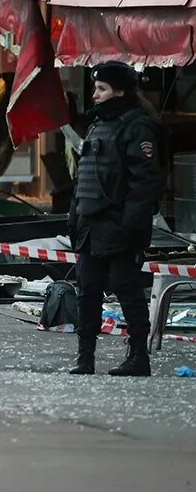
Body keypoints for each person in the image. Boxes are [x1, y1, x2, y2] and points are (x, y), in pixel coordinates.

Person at [67, 61, 165, 377]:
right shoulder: (98, 126)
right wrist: (74, 217)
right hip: (90, 225)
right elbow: (85, 175)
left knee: (127, 289)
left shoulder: (137, 128)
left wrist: (130, 226)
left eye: (101, 89)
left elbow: (145, 182)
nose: (94, 95)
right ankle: (85, 358)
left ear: (119, 91)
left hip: (118, 226)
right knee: (88, 291)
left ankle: (138, 357)